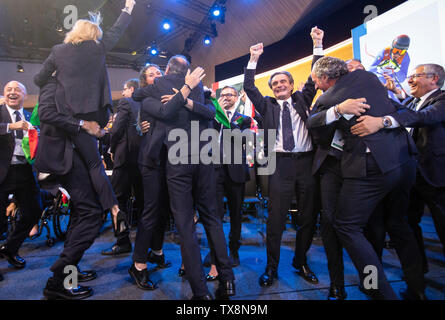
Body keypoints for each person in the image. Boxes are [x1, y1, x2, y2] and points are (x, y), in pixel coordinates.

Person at [309, 56, 426, 300]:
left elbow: (312, 120)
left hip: (370, 168)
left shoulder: (329, 96)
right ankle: (415, 289)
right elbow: (404, 112)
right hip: (401, 164)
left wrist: (370, 119)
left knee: (347, 225)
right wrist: (385, 121)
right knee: (395, 225)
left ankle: (381, 291)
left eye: (317, 82)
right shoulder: (370, 79)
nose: (317, 87)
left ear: (326, 79)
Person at [133, 55, 235, 300]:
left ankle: (200, 293)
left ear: (167, 69)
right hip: (203, 156)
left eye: (159, 72)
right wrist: (187, 93)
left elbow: (137, 96)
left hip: (178, 158)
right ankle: (228, 280)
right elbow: (209, 113)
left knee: (186, 227)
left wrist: (182, 98)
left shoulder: (160, 86)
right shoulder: (198, 86)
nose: (157, 75)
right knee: (212, 220)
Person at [33, 0, 136, 235]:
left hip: (66, 116)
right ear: (93, 35)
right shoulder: (98, 48)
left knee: (69, 157)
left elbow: (39, 79)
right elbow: (117, 30)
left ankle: (56, 186)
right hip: (92, 117)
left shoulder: (58, 51)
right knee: (94, 164)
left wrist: (56, 80)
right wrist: (128, 8)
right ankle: (114, 209)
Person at [243, 26, 324, 288]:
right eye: (275, 83)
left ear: (291, 85)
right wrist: (253, 59)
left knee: (308, 217)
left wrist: (317, 44)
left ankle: (300, 262)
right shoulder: (265, 105)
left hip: (307, 163)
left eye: (283, 82)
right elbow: (248, 85)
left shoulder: (302, 98)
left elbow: (314, 75)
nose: (279, 85)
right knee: (276, 219)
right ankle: (271, 267)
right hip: (279, 165)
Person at [350, 63, 445, 279]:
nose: (410, 79)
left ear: (434, 78)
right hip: (411, 177)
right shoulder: (412, 101)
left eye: (415, 76)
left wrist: (382, 121)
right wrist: (388, 94)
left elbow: (424, 117)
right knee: (408, 225)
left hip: (436, 177)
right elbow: (403, 110)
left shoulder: (441, 99)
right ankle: (418, 274)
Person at [206, 86, 253, 280]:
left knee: (235, 214)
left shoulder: (244, 119)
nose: (226, 97)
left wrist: (225, 120)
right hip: (214, 172)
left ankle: (234, 250)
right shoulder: (211, 117)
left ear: (237, 98)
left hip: (235, 172)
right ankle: (216, 252)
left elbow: (242, 139)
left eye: (230, 95)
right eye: (223, 95)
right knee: (213, 215)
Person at [0, 81, 43, 279]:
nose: (12, 92)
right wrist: (11, 126)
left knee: (34, 211)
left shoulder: (29, 116)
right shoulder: (1, 113)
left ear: (25, 95)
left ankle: (10, 248)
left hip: (25, 171)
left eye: (17, 89)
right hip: (3, 171)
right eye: (9, 89)